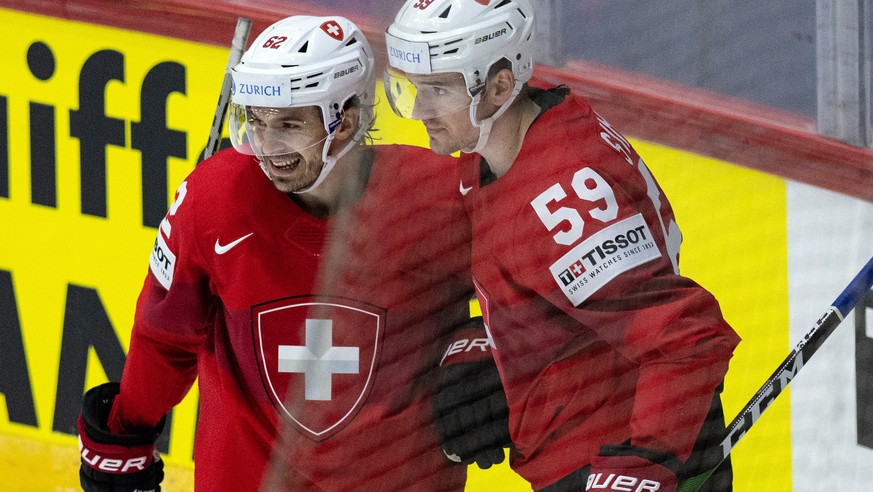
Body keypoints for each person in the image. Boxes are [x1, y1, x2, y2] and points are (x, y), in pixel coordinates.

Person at [76, 15, 505, 491]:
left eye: (289, 124)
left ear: (346, 123)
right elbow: (164, 334)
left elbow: (534, 299)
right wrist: (125, 431)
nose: (266, 145)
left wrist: (484, 347)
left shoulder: (445, 198)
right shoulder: (212, 200)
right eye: (256, 121)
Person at [384, 1, 742, 491]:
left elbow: (687, 337)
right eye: (415, 88)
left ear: (501, 87)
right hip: (583, 443)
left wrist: (646, 460)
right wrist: (496, 343)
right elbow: (556, 288)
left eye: (439, 90)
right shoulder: (502, 144)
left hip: (621, 457)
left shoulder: (561, 196)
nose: (420, 111)